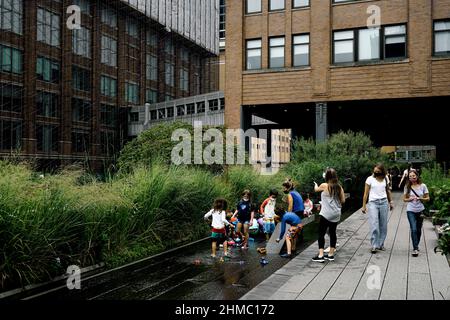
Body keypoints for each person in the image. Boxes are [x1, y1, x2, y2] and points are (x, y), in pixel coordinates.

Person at [312, 168, 346, 262]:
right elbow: (343, 200)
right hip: (336, 214)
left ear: (327, 176)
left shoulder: (324, 185)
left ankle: (321, 255)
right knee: (332, 232)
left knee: (321, 233)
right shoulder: (339, 187)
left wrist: (315, 185)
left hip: (326, 214)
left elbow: (316, 189)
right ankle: (331, 255)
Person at [362, 163, 394, 254]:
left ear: (382, 172)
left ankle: (380, 244)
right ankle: (374, 245)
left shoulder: (386, 178)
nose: (376, 173)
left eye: (378, 172)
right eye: (375, 171)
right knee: (374, 223)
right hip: (373, 203)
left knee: (383, 225)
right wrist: (364, 206)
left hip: (384, 202)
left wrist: (391, 202)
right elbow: (365, 194)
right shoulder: (370, 179)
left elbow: (388, 190)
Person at [403, 169, 430, 257]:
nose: (412, 178)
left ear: (417, 176)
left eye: (413, 176)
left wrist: (421, 198)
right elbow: (404, 199)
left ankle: (416, 245)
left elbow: (427, 198)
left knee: (418, 230)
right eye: (410, 177)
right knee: (413, 229)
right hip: (410, 210)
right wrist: (409, 199)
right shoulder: (407, 187)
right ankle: (415, 248)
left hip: (420, 210)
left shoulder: (423, 186)